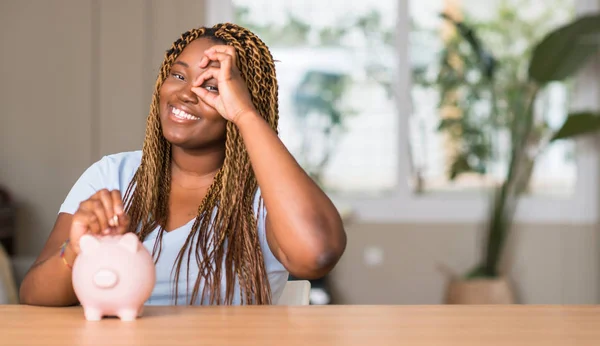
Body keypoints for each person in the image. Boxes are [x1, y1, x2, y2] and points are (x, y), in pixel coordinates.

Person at [19, 23, 347, 306]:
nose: (186, 93)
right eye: (178, 75)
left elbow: (317, 253)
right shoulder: (113, 176)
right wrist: (77, 249)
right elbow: (33, 296)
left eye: (211, 86)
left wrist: (245, 116)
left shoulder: (265, 194)